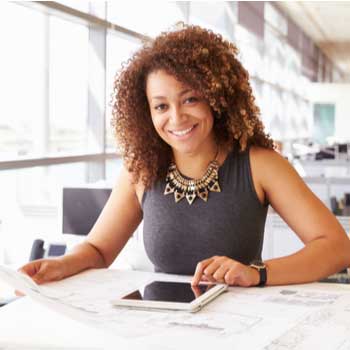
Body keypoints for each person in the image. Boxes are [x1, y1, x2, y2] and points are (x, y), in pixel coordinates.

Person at [20, 25, 350, 288]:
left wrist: (257, 272)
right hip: (162, 329)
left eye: (190, 99)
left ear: (216, 98)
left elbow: (336, 247)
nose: (176, 118)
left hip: (242, 329)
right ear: (146, 112)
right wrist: (60, 265)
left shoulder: (259, 163)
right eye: (161, 105)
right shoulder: (142, 169)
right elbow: (98, 250)